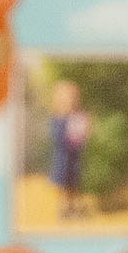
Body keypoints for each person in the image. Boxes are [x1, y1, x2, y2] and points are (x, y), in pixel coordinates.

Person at [47, 76, 93, 221]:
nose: (71, 101)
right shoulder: (58, 116)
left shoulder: (78, 116)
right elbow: (56, 136)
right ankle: (63, 211)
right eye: (68, 97)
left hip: (74, 157)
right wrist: (69, 130)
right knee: (63, 186)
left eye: (73, 97)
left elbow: (82, 137)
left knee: (74, 185)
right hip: (63, 157)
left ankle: (73, 210)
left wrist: (85, 129)